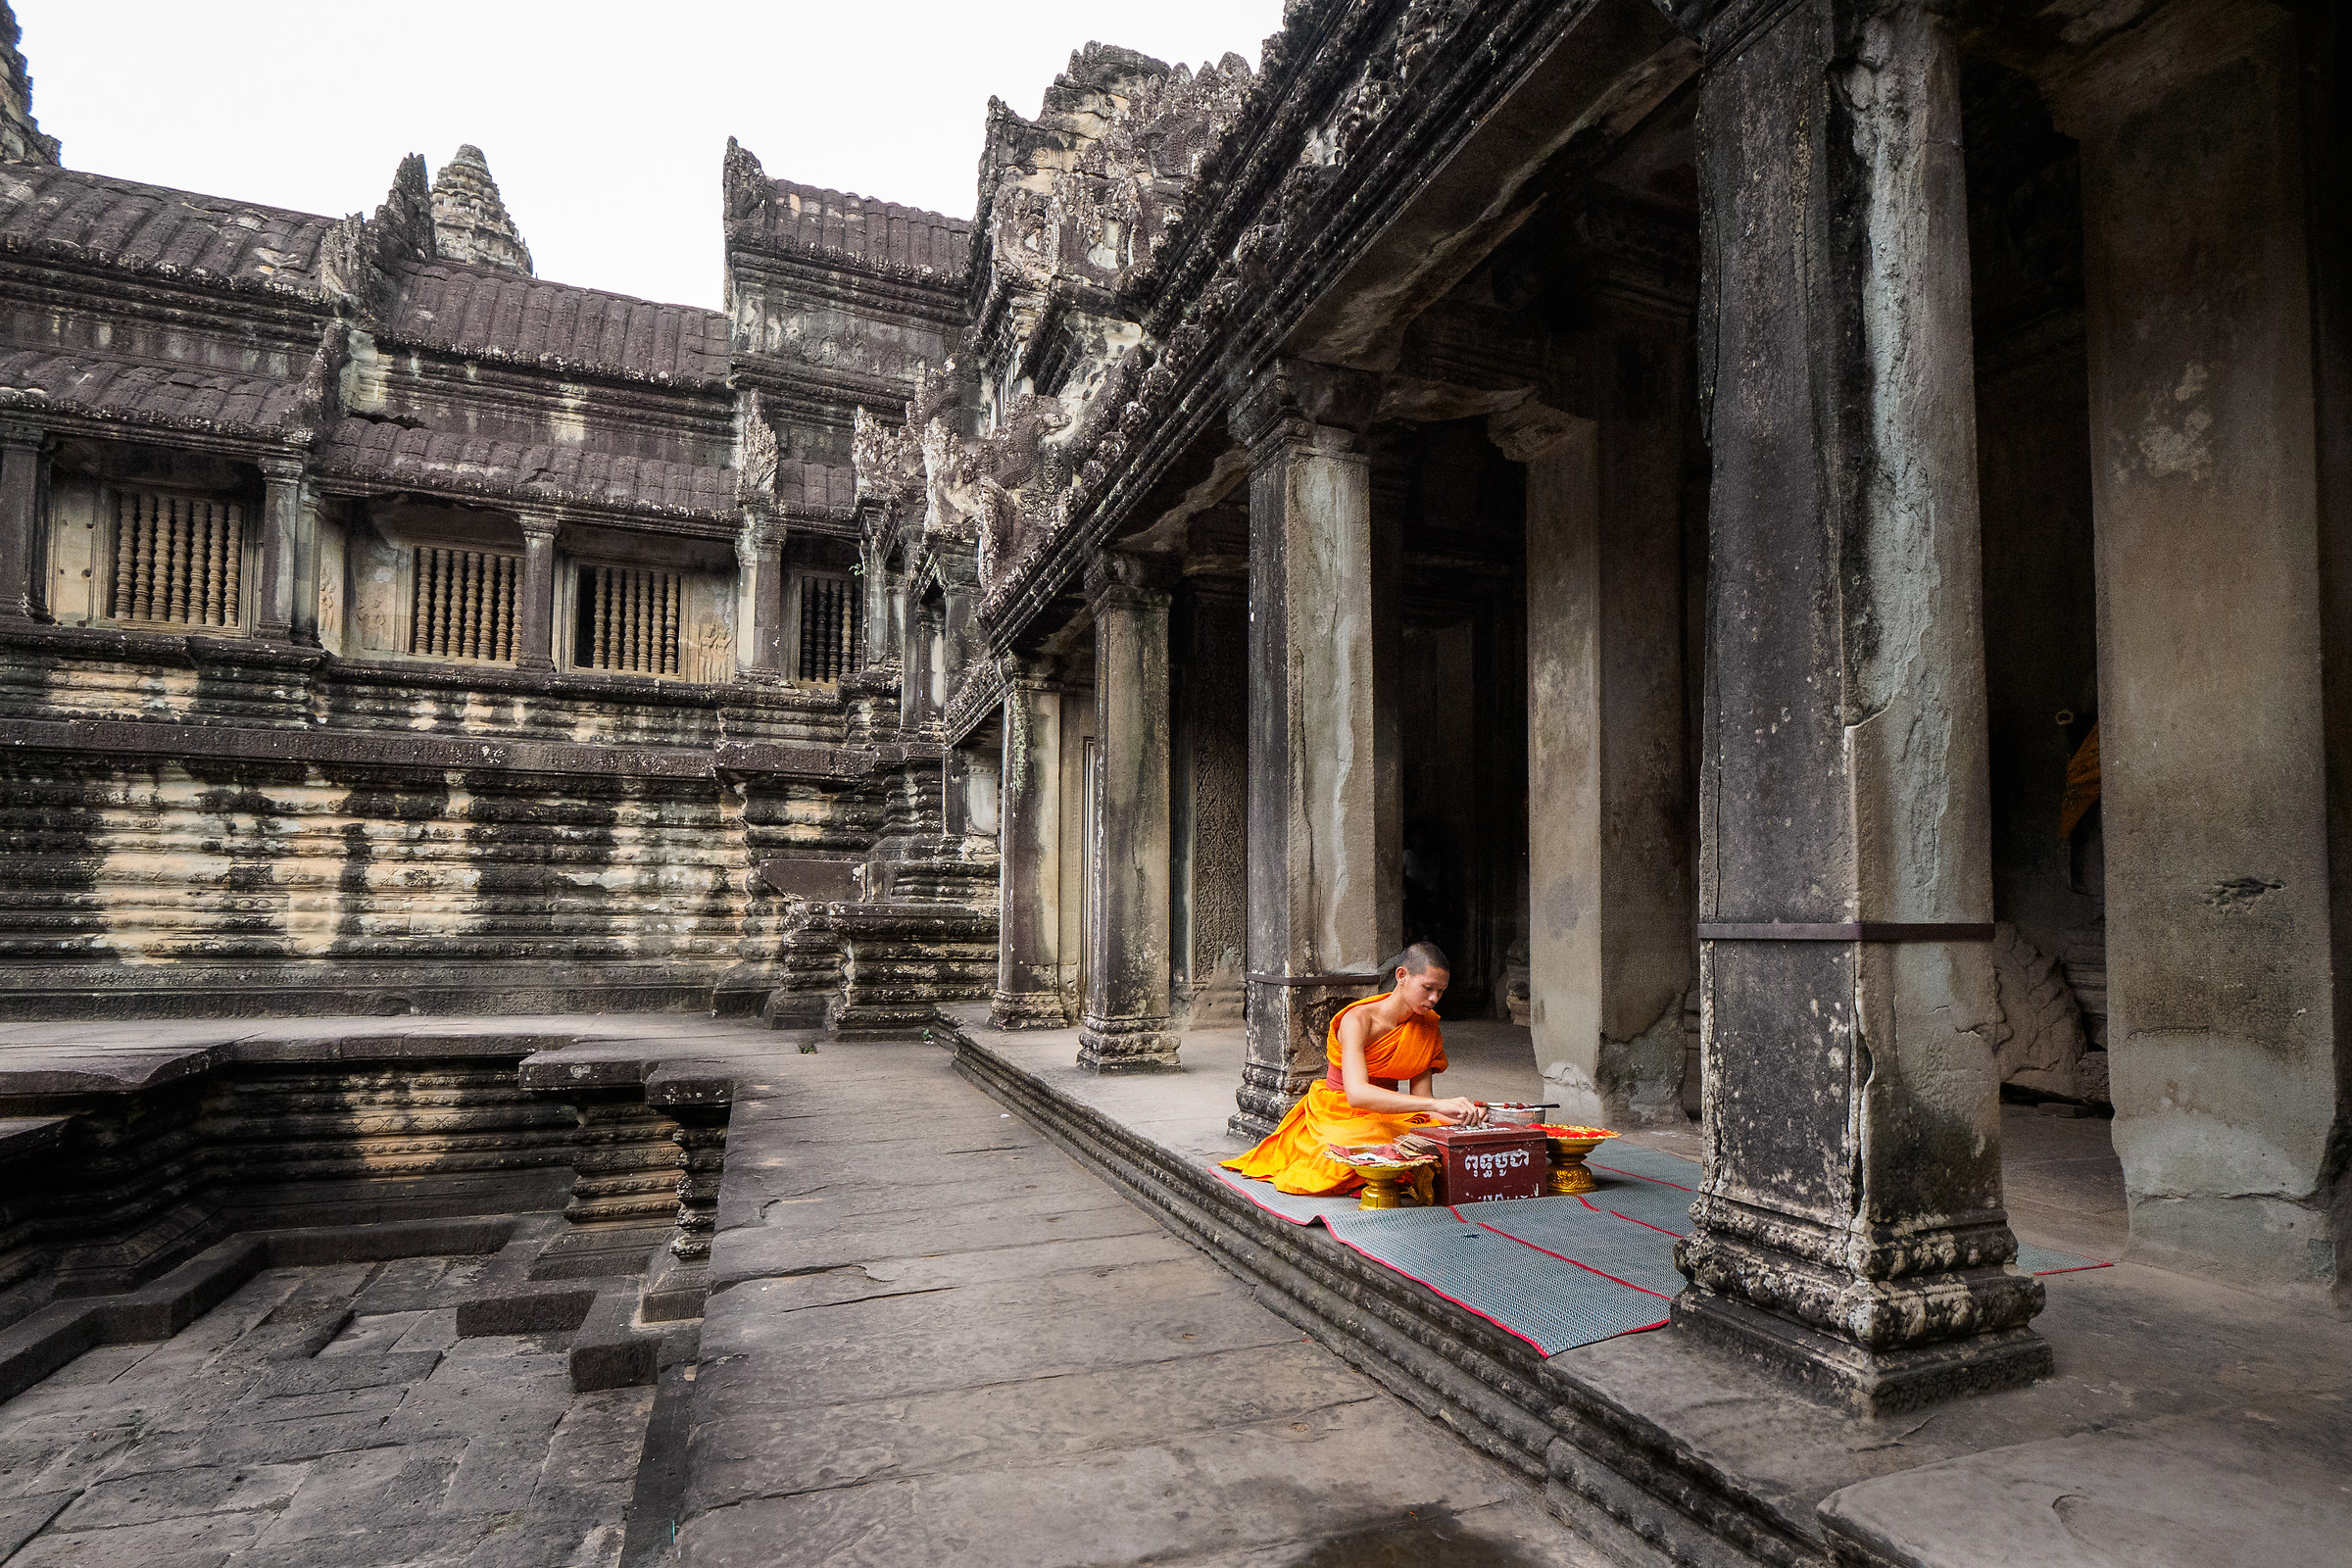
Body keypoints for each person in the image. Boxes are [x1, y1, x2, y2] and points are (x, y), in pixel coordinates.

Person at [1222, 942, 1486, 1196]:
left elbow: (1424, 1101)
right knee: (1348, 1150)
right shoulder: (1357, 1020)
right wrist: (1437, 1107)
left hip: (1391, 1115)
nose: (1434, 998)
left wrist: (1462, 1117)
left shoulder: (1427, 1025)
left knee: (1441, 1139)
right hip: (1340, 1112)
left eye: (1440, 992)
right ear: (1402, 975)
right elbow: (1357, 1095)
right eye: (1428, 988)